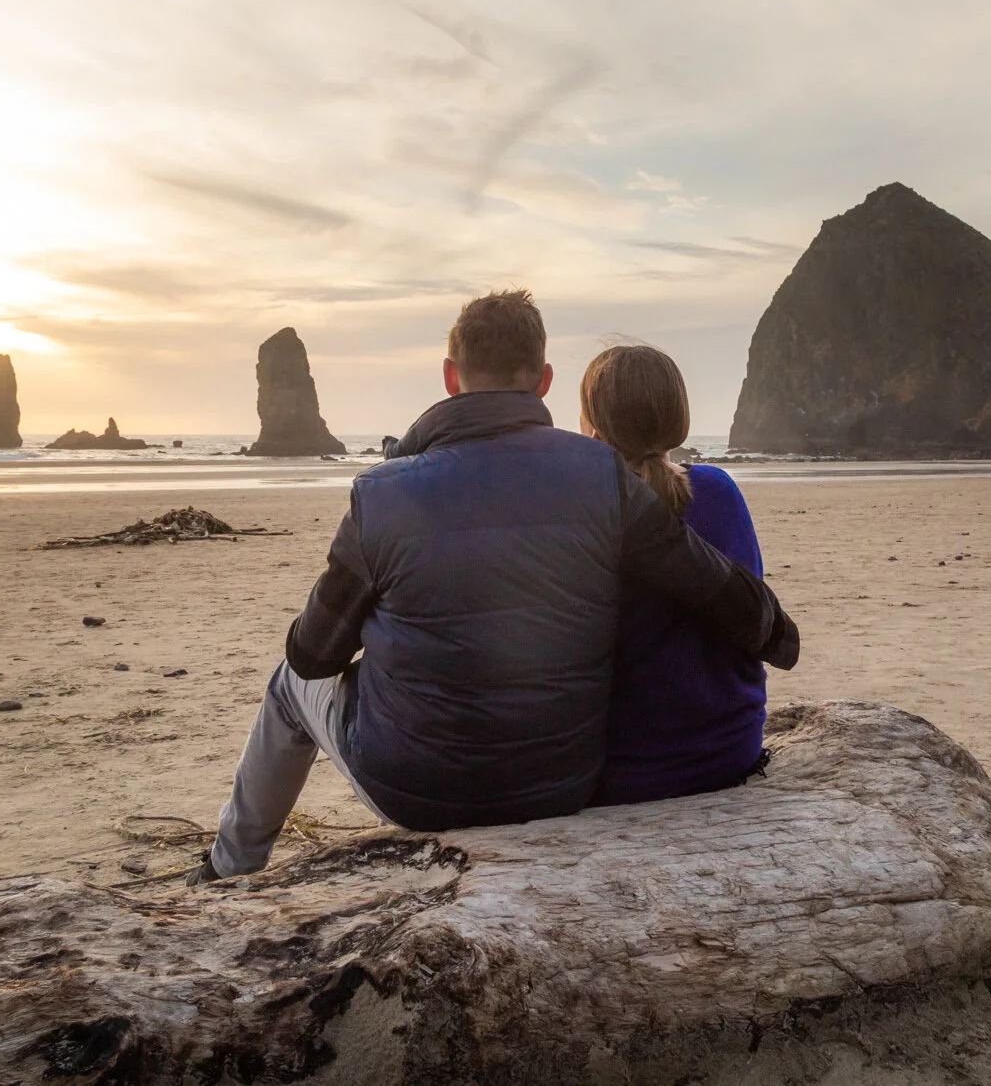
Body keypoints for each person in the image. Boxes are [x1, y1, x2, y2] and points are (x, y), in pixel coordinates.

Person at [192, 290, 799, 881]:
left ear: (451, 377)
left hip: (417, 793)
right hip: (561, 782)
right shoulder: (600, 475)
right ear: (544, 381)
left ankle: (228, 867)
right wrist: (778, 636)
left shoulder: (382, 492)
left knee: (288, 682)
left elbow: (313, 655)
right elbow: (708, 583)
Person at [578, 345, 772, 806]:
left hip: (621, 769)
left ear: (596, 433)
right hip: (728, 748)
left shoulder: (583, 513)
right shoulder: (718, 491)